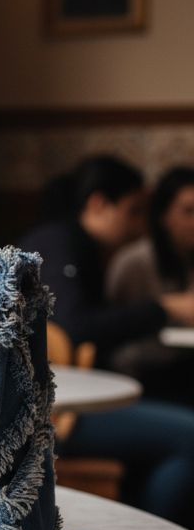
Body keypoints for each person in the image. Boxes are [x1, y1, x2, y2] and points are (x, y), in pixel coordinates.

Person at [20, 156, 194, 528]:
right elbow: (73, 328)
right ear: (99, 204)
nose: (138, 225)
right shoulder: (58, 245)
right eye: (132, 212)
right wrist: (165, 308)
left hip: (59, 402)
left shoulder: (80, 247)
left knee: (180, 452)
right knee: (189, 435)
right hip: (52, 415)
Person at [105, 166, 194, 403]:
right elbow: (112, 328)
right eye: (188, 211)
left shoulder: (187, 257)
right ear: (164, 215)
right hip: (140, 373)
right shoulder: (135, 261)